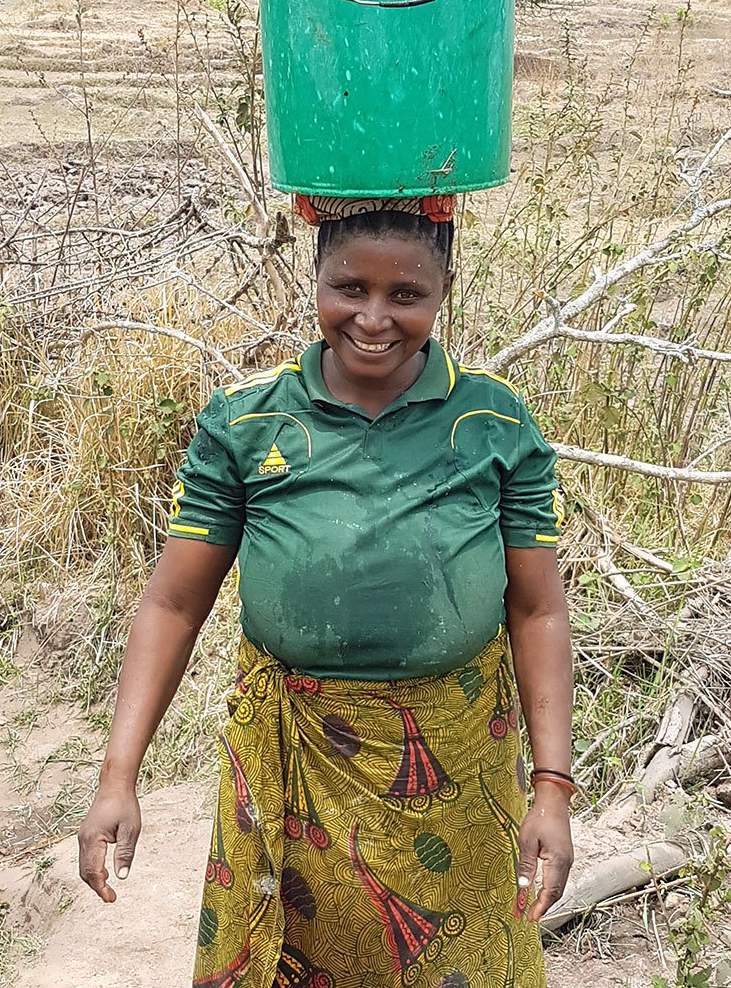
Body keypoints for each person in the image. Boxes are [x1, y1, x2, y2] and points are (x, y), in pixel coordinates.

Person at [77, 194, 575, 988]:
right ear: (315, 279)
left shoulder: (493, 420)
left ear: (445, 288)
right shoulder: (248, 422)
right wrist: (117, 778)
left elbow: (537, 608)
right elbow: (174, 603)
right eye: (350, 288)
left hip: (459, 775)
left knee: (461, 960)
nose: (374, 318)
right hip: (294, 761)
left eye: (406, 295)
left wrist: (552, 790)